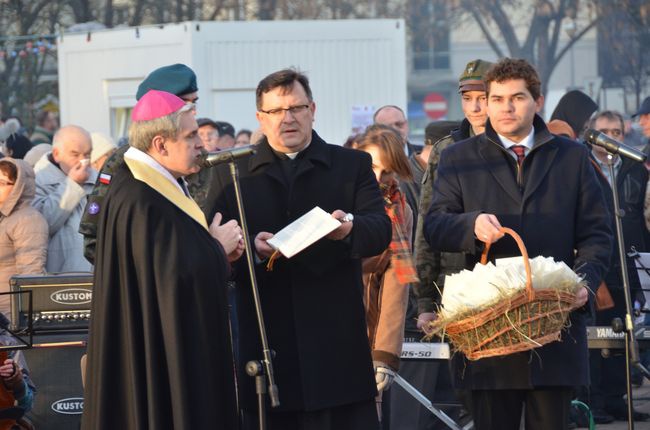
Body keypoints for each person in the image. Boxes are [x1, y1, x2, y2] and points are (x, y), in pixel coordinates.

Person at [424, 58, 612, 430]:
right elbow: (434, 226)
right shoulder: (458, 159)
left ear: (537, 101)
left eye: (517, 98)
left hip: (554, 327)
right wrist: (470, 225)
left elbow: (596, 233)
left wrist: (584, 283)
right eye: (496, 99)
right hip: (488, 334)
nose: (505, 108)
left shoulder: (571, 156)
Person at [205, 68, 392, 430]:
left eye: (296, 108)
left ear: (313, 109)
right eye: (275, 111)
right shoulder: (231, 172)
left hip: (335, 343)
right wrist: (251, 253)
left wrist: (347, 231)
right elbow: (213, 252)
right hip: (268, 346)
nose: (287, 118)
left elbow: (380, 230)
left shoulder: (350, 164)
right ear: (260, 117)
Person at [81, 90, 242, 429]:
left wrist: (213, 249)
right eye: (191, 135)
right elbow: (169, 278)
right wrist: (216, 248)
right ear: (160, 144)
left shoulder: (154, 185)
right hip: (158, 360)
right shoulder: (141, 197)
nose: (201, 143)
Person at [79, 63, 200, 265]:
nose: (193, 112)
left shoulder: (198, 154)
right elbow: (95, 240)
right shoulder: (123, 162)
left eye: (194, 103)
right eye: (183, 103)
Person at [414, 58, 492, 331]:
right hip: (455, 281)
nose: (475, 106)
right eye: (467, 98)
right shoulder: (445, 149)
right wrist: (425, 299)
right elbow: (428, 220)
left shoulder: (512, 145)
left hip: (505, 278)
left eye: (482, 97)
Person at [586, 110, 650, 422]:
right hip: (597, 265)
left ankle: (616, 397)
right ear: (592, 134)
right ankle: (595, 400)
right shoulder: (583, 167)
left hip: (630, 262)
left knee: (624, 334)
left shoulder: (635, 168)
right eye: (604, 131)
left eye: (617, 131)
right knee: (597, 336)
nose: (611, 137)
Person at [355, 125, 416, 427]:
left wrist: (385, 354)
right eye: (373, 167)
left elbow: (398, 282)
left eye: (388, 171)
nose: (379, 179)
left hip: (371, 325)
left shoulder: (401, 210)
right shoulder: (337, 195)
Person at [33, 125, 96, 272]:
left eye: (87, 155)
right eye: (75, 155)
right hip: (60, 278)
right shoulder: (37, 181)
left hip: (97, 276)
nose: (83, 161)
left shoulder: (99, 179)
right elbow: (44, 225)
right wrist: (73, 185)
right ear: (56, 154)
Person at [0, 159, 48, 317]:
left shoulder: (28, 219)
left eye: (2, 182)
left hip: (9, 316)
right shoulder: (4, 217)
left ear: (19, 187)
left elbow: (31, 274)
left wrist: (22, 320)